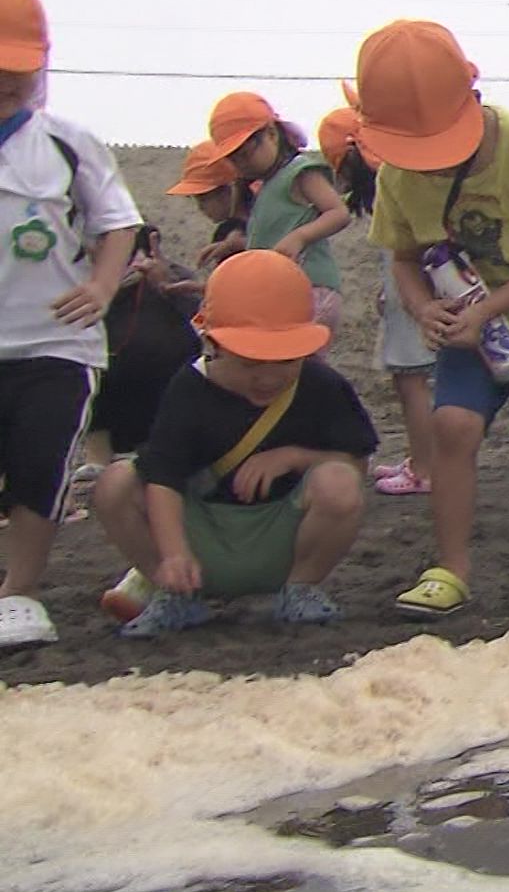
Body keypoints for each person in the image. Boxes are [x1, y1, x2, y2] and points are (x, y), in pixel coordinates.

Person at [359, 19, 509, 617]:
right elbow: (403, 258)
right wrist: (425, 309)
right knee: (452, 426)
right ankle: (451, 568)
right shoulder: (395, 173)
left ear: (473, 101)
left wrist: (487, 310)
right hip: (463, 306)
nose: (431, 163)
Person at [91, 251, 376, 637]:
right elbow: (163, 477)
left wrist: (294, 457)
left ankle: (301, 589)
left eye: (285, 361)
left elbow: (355, 465)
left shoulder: (321, 384)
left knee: (339, 481)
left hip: (284, 538)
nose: (268, 378)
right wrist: (174, 553)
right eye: (251, 363)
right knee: (115, 482)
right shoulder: (188, 389)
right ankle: (172, 592)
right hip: (198, 545)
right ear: (214, 345)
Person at [0, 0, 144, 648]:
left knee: (40, 464)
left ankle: (18, 592)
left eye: (19, 69)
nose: (7, 81)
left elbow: (118, 222)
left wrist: (104, 287)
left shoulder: (66, 143)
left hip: (56, 345)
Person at [317, 105, 437, 497]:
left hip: (413, 289)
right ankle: (425, 462)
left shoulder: (391, 180)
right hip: (419, 283)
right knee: (416, 378)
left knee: (410, 377)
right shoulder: (408, 168)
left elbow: (404, 249)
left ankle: (424, 469)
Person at [204, 93, 349, 355]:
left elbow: (338, 212)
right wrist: (235, 245)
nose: (242, 165)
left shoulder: (299, 171)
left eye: (246, 154)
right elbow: (272, 236)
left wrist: (301, 237)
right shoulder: (267, 187)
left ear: (271, 133)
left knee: (295, 362)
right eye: (234, 160)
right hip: (282, 293)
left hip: (311, 289)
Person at [91, 225, 203, 461]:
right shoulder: (80, 281)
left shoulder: (171, 277)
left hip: (170, 416)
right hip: (110, 426)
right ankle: (96, 465)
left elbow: (209, 330)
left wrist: (169, 289)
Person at [167, 139, 255, 270]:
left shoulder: (230, 231)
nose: (200, 207)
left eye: (203, 198)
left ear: (230, 188)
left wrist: (243, 245)